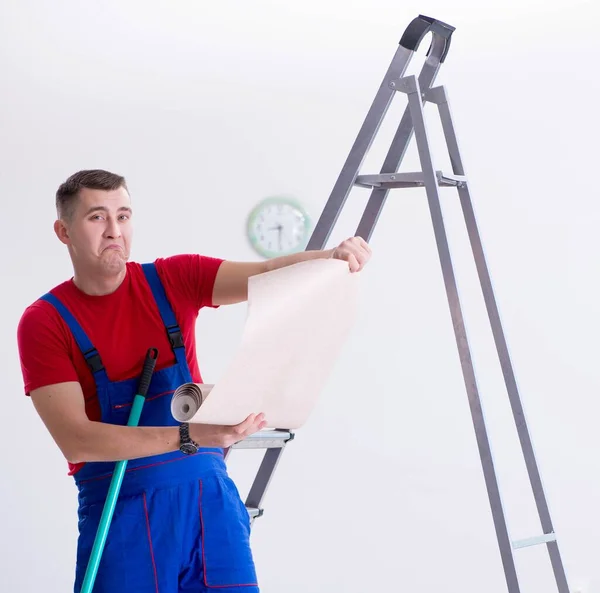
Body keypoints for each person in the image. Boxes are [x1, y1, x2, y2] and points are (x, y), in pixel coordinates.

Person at [16, 169, 372, 593]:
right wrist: (191, 434)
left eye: (124, 216)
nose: (114, 231)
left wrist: (331, 257)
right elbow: (77, 440)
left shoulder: (172, 280)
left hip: (210, 504)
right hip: (121, 514)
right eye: (97, 217)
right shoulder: (46, 322)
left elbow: (269, 272)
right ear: (64, 230)